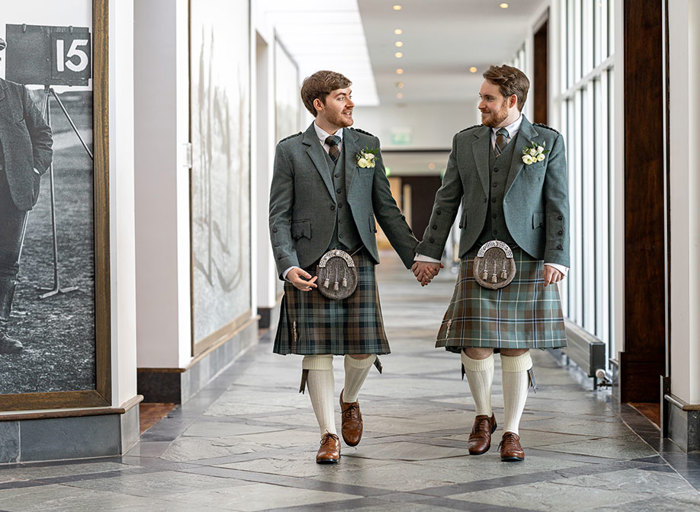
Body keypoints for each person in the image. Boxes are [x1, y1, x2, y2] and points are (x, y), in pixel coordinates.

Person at [413, 64, 569, 462]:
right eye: (481, 96)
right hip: (476, 252)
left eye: (488, 98)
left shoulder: (547, 142)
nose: (480, 104)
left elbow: (557, 205)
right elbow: (446, 200)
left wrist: (558, 256)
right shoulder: (465, 142)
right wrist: (429, 252)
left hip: (527, 255)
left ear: (511, 101)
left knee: (516, 347)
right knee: (475, 343)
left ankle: (512, 432)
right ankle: (484, 416)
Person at [269, 70, 418, 464]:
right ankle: (328, 434)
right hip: (310, 262)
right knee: (316, 353)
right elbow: (278, 215)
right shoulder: (290, 150)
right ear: (319, 104)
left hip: (358, 257)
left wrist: (416, 257)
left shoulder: (368, 145)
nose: (350, 103)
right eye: (341, 96)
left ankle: (349, 399)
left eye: (350, 95)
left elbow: (386, 208)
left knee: (364, 350)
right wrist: (287, 265)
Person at [0, 37, 54, 354]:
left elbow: (43, 136)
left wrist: (33, 171)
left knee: (7, 262)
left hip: (13, 192)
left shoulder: (17, 93)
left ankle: (0, 333)